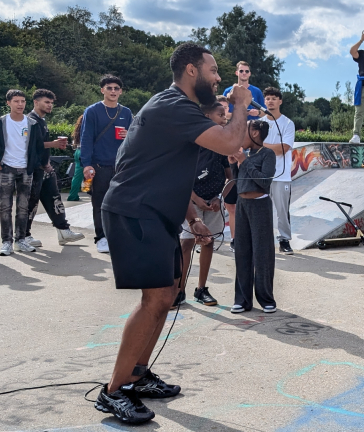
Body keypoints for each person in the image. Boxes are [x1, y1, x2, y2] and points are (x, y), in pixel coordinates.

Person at [94, 42, 253, 424]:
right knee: (154, 300)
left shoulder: (179, 110)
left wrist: (191, 216)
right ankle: (114, 392)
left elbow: (166, 168)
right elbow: (233, 141)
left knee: (167, 296)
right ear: (191, 70)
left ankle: (138, 373)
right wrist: (243, 104)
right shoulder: (172, 106)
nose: (219, 79)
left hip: (158, 213)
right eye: (214, 71)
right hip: (136, 212)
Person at [180, 101, 234, 307]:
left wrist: (218, 196)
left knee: (208, 241)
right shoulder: (190, 143)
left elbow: (230, 177)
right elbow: (179, 177)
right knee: (186, 243)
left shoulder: (219, 146)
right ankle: (179, 289)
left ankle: (201, 289)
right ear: (206, 116)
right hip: (190, 203)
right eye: (220, 114)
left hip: (213, 203)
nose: (224, 118)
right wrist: (195, 199)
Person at [0, 89, 44, 256]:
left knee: (23, 207)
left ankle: (21, 240)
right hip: (6, 168)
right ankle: (6, 242)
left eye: (22, 101)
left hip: (26, 169)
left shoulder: (32, 123)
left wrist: (34, 164)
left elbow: (39, 147)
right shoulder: (0, 122)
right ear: (8, 103)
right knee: (5, 207)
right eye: (16, 101)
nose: (20, 104)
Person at [80, 75, 133, 254]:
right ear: (102, 90)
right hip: (99, 165)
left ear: (121, 91)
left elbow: (135, 138)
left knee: (121, 202)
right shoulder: (93, 111)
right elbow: (85, 138)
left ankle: (117, 235)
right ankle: (101, 237)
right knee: (100, 202)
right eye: (109, 88)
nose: (112, 91)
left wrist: (129, 135)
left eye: (116, 88)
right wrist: (86, 164)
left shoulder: (126, 112)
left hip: (120, 167)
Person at [25, 89, 85, 247]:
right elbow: (28, 145)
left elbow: (41, 147)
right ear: (36, 102)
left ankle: (63, 231)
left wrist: (47, 162)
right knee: (30, 203)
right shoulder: (29, 121)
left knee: (55, 199)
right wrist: (52, 144)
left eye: (51, 103)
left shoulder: (42, 121)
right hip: (32, 169)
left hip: (44, 168)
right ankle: (24, 236)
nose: (50, 105)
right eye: (46, 102)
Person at [229, 120, 278, 313]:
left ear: (256, 133)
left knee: (262, 252)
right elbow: (239, 182)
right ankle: (242, 299)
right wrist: (234, 165)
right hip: (242, 205)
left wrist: (243, 161)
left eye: (245, 131)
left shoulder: (267, 154)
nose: (241, 136)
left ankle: (266, 298)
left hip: (259, 205)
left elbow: (264, 181)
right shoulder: (246, 155)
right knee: (242, 251)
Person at [260, 87, 295, 254]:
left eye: (274, 98)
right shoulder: (258, 124)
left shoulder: (288, 123)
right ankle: (263, 241)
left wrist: (260, 145)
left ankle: (284, 240)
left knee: (282, 211)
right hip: (260, 175)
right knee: (261, 210)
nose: (270, 101)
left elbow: (284, 148)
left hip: (281, 175)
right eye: (267, 98)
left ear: (280, 101)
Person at [214, 96, 238, 252]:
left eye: (226, 108)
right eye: (220, 108)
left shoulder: (234, 127)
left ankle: (234, 240)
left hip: (230, 169)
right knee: (209, 206)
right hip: (211, 174)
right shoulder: (206, 128)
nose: (223, 111)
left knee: (232, 207)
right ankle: (206, 238)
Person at [67, 115, 85, 201]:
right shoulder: (87, 128)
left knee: (77, 176)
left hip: (78, 151)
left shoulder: (78, 129)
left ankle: (73, 195)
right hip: (84, 152)